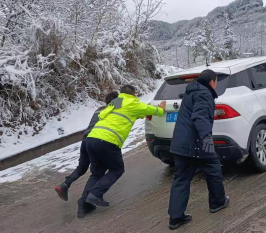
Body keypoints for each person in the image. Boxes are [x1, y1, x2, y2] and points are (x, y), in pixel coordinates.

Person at [77, 84, 166, 218]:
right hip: (108, 140)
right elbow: (155, 111)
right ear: (133, 94)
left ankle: (84, 206)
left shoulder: (116, 102)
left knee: (97, 173)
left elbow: (128, 114)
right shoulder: (133, 103)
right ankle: (95, 193)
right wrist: (161, 108)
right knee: (117, 170)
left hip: (91, 138)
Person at [167, 70, 229, 230]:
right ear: (211, 82)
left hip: (181, 144)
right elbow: (199, 116)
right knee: (213, 169)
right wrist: (206, 136)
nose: (216, 85)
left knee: (181, 179)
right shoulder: (204, 93)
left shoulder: (191, 91)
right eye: (216, 82)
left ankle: (175, 218)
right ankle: (218, 202)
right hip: (197, 143)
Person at [54, 91, 119, 202]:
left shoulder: (99, 109)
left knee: (82, 168)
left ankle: (64, 185)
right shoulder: (114, 111)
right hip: (98, 140)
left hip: (86, 140)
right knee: (100, 170)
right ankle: (88, 198)